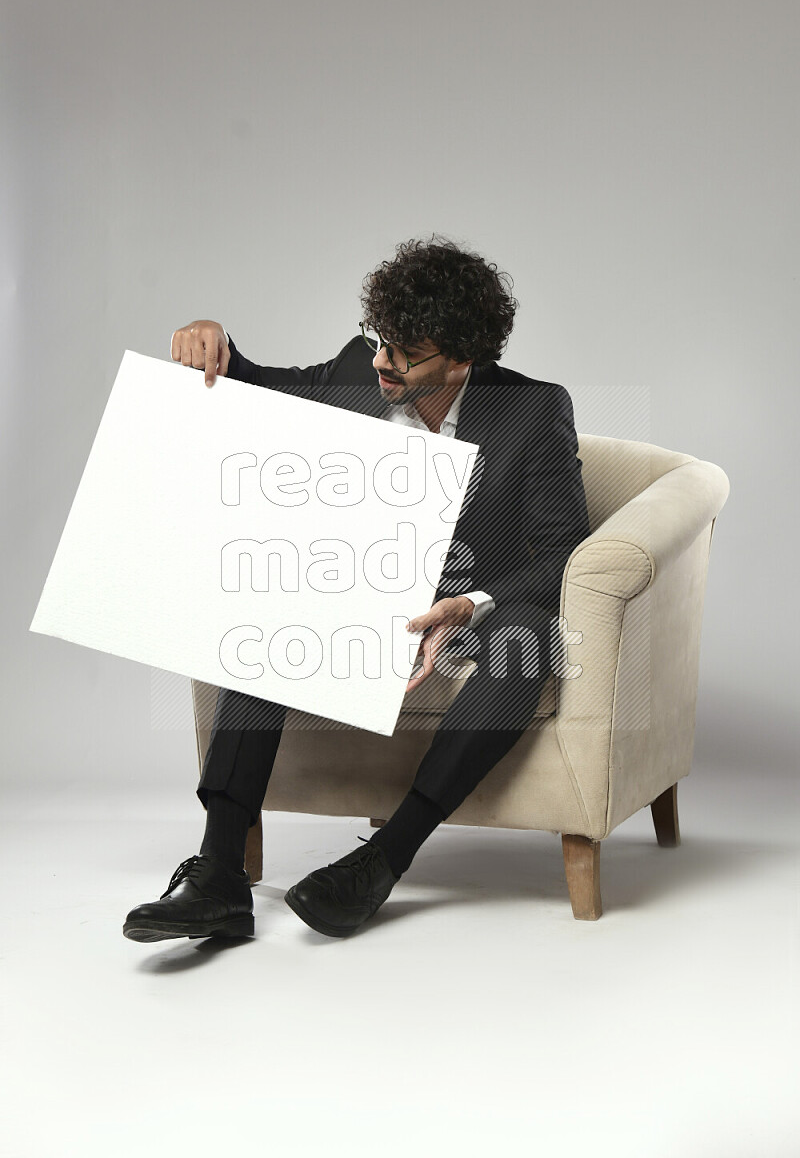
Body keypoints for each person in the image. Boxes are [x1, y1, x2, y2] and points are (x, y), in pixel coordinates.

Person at [123, 236, 590, 943]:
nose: (381, 361)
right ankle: (218, 874)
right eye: (380, 340)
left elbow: (562, 551)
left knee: (524, 632)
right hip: (364, 594)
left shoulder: (533, 410)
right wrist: (215, 343)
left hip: (470, 603)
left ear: (462, 357)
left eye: (405, 353)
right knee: (279, 606)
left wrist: (467, 605)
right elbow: (260, 384)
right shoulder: (354, 373)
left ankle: (383, 858)